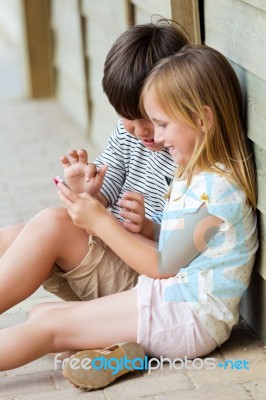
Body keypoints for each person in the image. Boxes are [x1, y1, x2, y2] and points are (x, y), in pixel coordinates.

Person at [0, 45, 258, 392]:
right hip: (171, 302)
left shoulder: (217, 190)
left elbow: (162, 264)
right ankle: (125, 353)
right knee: (41, 316)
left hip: (189, 318)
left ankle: (131, 347)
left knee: (49, 328)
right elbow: (179, 250)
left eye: (162, 124)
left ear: (202, 119)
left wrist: (101, 223)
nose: (157, 134)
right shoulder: (198, 174)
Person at [0, 19, 189, 313]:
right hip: (110, 256)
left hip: (146, 280)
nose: (140, 131)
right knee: (12, 236)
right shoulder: (129, 138)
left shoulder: (184, 151)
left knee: (53, 224)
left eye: (151, 119)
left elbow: (183, 247)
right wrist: (85, 192)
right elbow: (98, 203)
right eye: (127, 117)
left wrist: (150, 228)